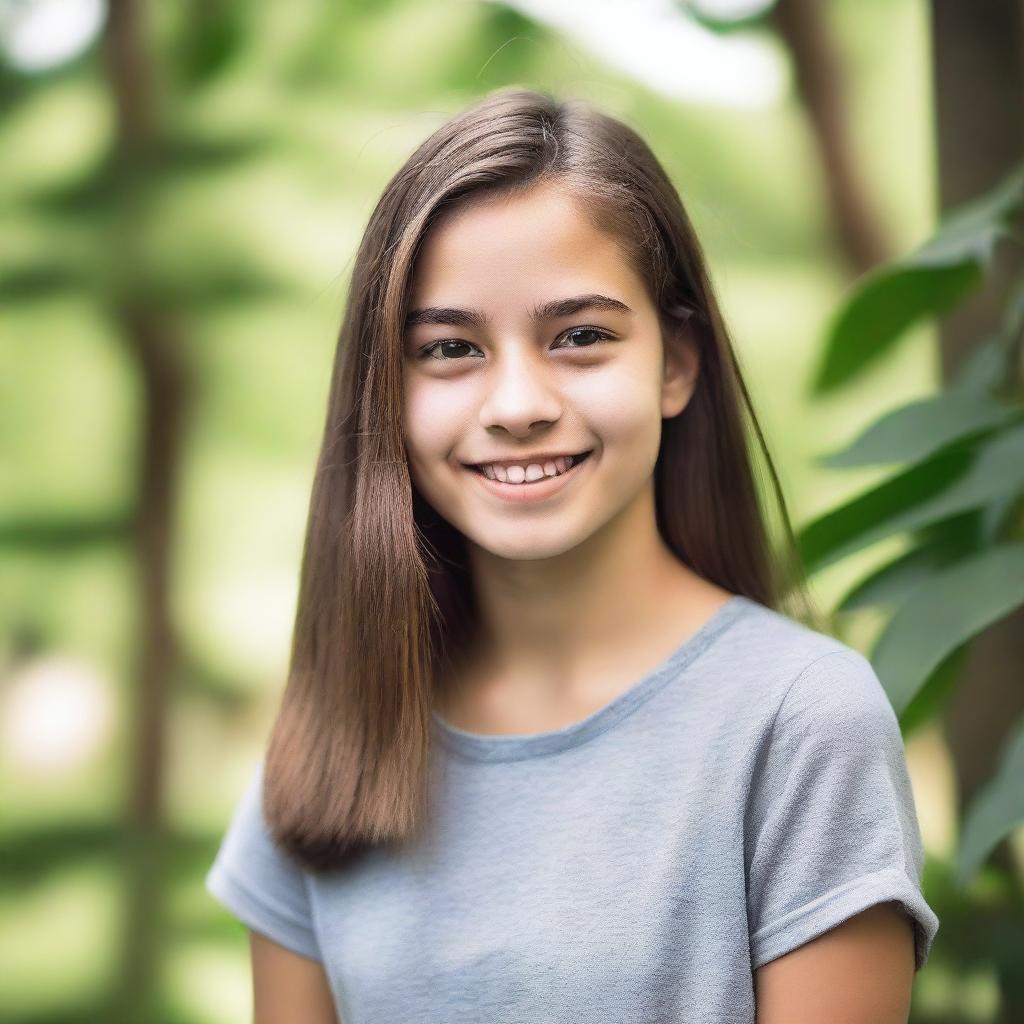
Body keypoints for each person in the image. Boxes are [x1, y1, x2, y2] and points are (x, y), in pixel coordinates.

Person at [204, 87, 939, 1023]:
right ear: (386, 386)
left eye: (580, 337)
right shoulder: (332, 738)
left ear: (676, 363)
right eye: (451, 348)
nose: (517, 404)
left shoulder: (799, 722)